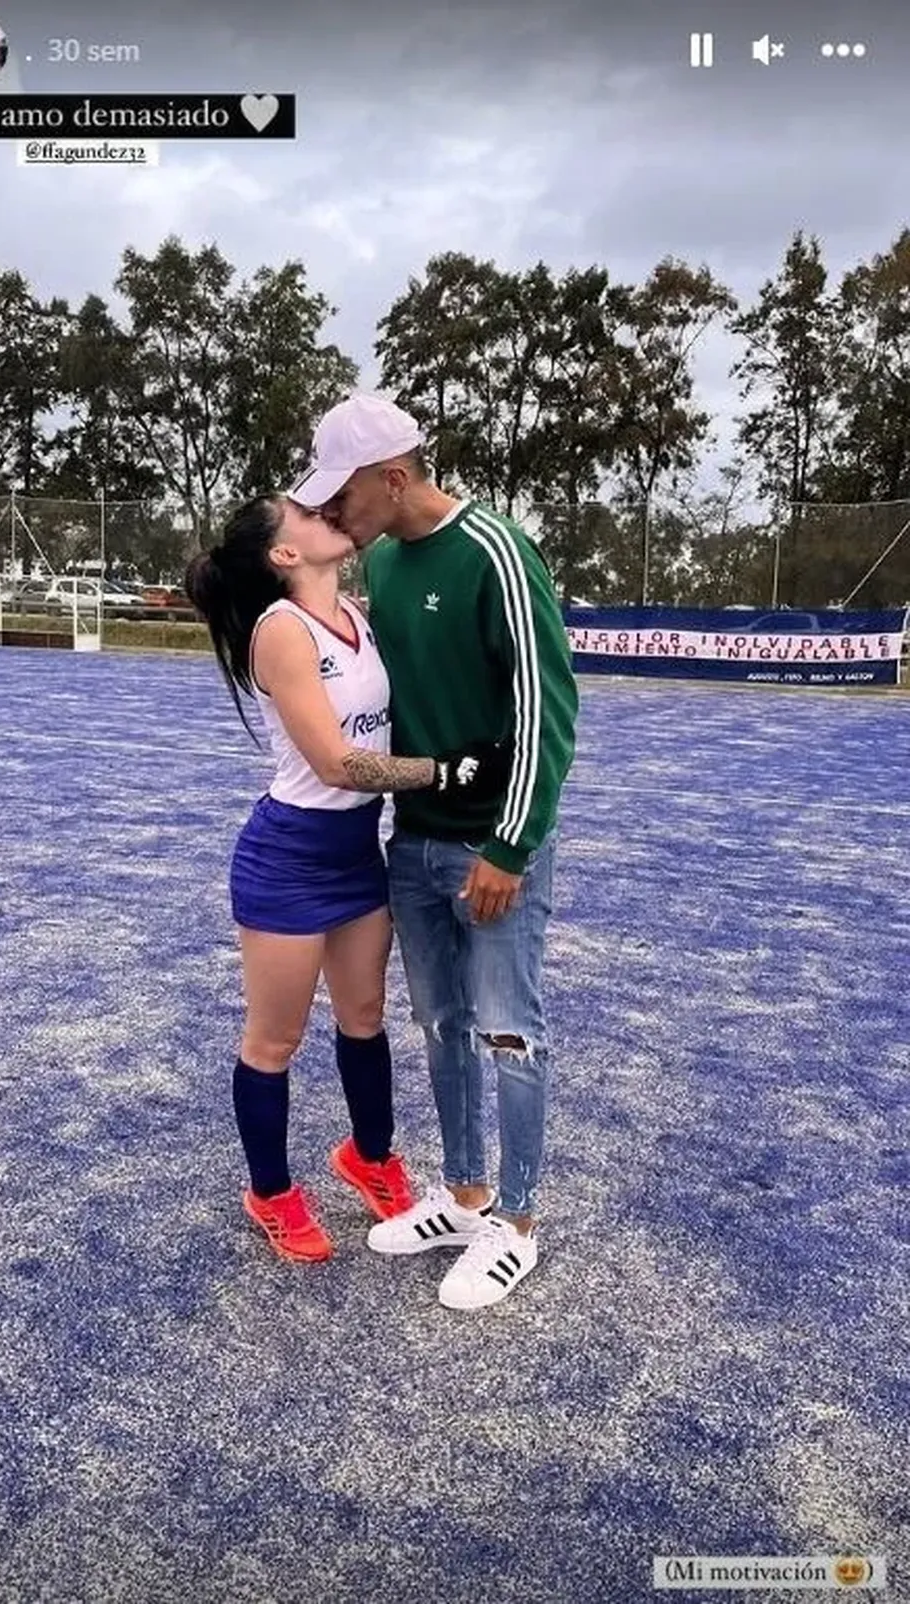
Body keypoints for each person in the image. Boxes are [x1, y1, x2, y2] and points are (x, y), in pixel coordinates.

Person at [290, 394, 578, 1310]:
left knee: (510, 1032)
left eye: (346, 494)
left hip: (491, 853)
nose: (337, 512)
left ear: (396, 475)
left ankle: (519, 1226)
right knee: (442, 1028)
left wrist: (510, 843)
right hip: (411, 846)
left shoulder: (495, 552)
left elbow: (546, 712)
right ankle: (463, 1199)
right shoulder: (379, 560)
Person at [184, 495, 510, 1264]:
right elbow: (337, 761)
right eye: (299, 512)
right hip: (289, 859)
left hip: (359, 851)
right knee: (275, 1039)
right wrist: (445, 769)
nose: (322, 509)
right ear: (283, 555)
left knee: (364, 1016)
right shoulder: (278, 631)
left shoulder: (359, 617)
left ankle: (368, 1156)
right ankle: (269, 1191)